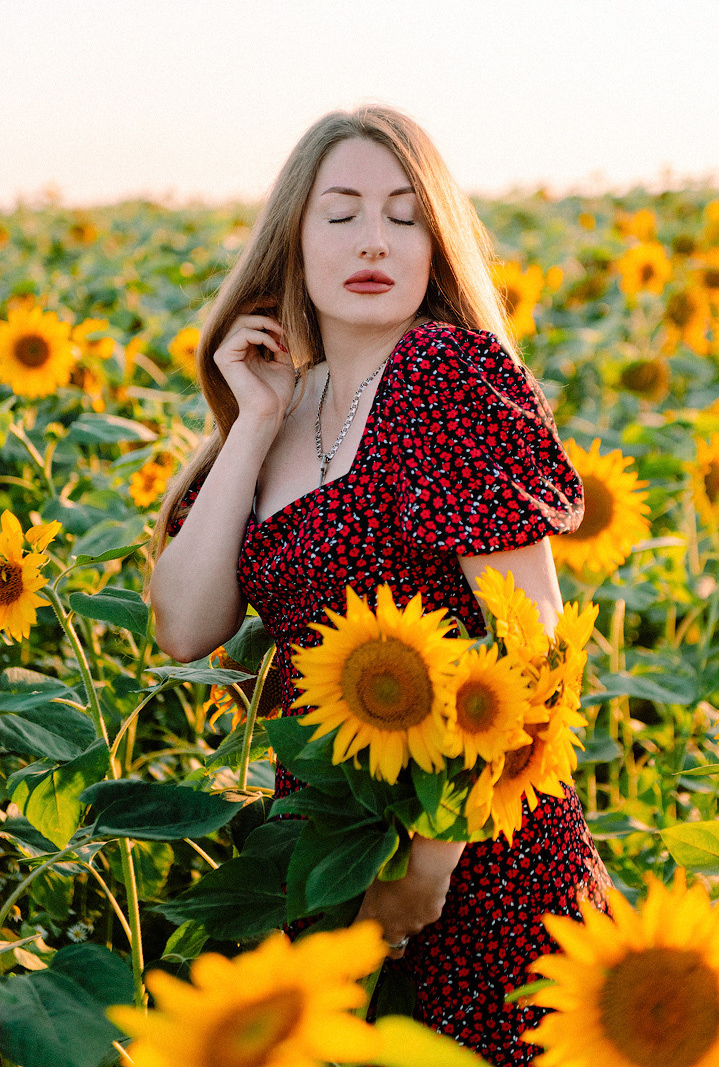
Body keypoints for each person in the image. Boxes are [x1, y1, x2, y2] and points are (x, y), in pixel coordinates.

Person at [148, 104, 610, 1063]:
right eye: (342, 213)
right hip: (329, 848)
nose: (374, 241)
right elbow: (184, 625)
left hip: (479, 855)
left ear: (436, 246)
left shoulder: (444, 375)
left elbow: (535, 644)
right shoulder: (285, 406)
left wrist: (428, 866)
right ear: (294, 239)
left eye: (405, 217)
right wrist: (252, 422)